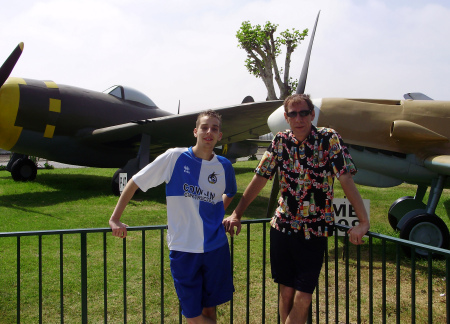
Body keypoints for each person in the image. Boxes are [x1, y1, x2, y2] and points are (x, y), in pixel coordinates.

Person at [223, 94, 370, 324]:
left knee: (303, 297)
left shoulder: (329, 139)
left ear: (312, 114)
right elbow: (261, 178)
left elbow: (345, 178)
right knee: (286, 293)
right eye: (293, 114)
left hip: (315, 230)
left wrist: (363, 221)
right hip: (283, 228)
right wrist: (236, 214)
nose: (299, 118)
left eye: (303, 113)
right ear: (286, 117)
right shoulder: (280, 141)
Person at [109, 110, 237, 324]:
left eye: (214, 128)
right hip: (183, 249)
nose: (209, 132)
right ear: (195, 132)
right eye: (204, 127)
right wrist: (115, 218)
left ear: (220, 136)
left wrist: (217, 215)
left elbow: (230, 192)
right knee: (193, 316)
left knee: (210, 311)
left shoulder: (224, 166)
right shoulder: (174, 157)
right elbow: (135, 182)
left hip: (215, 248)